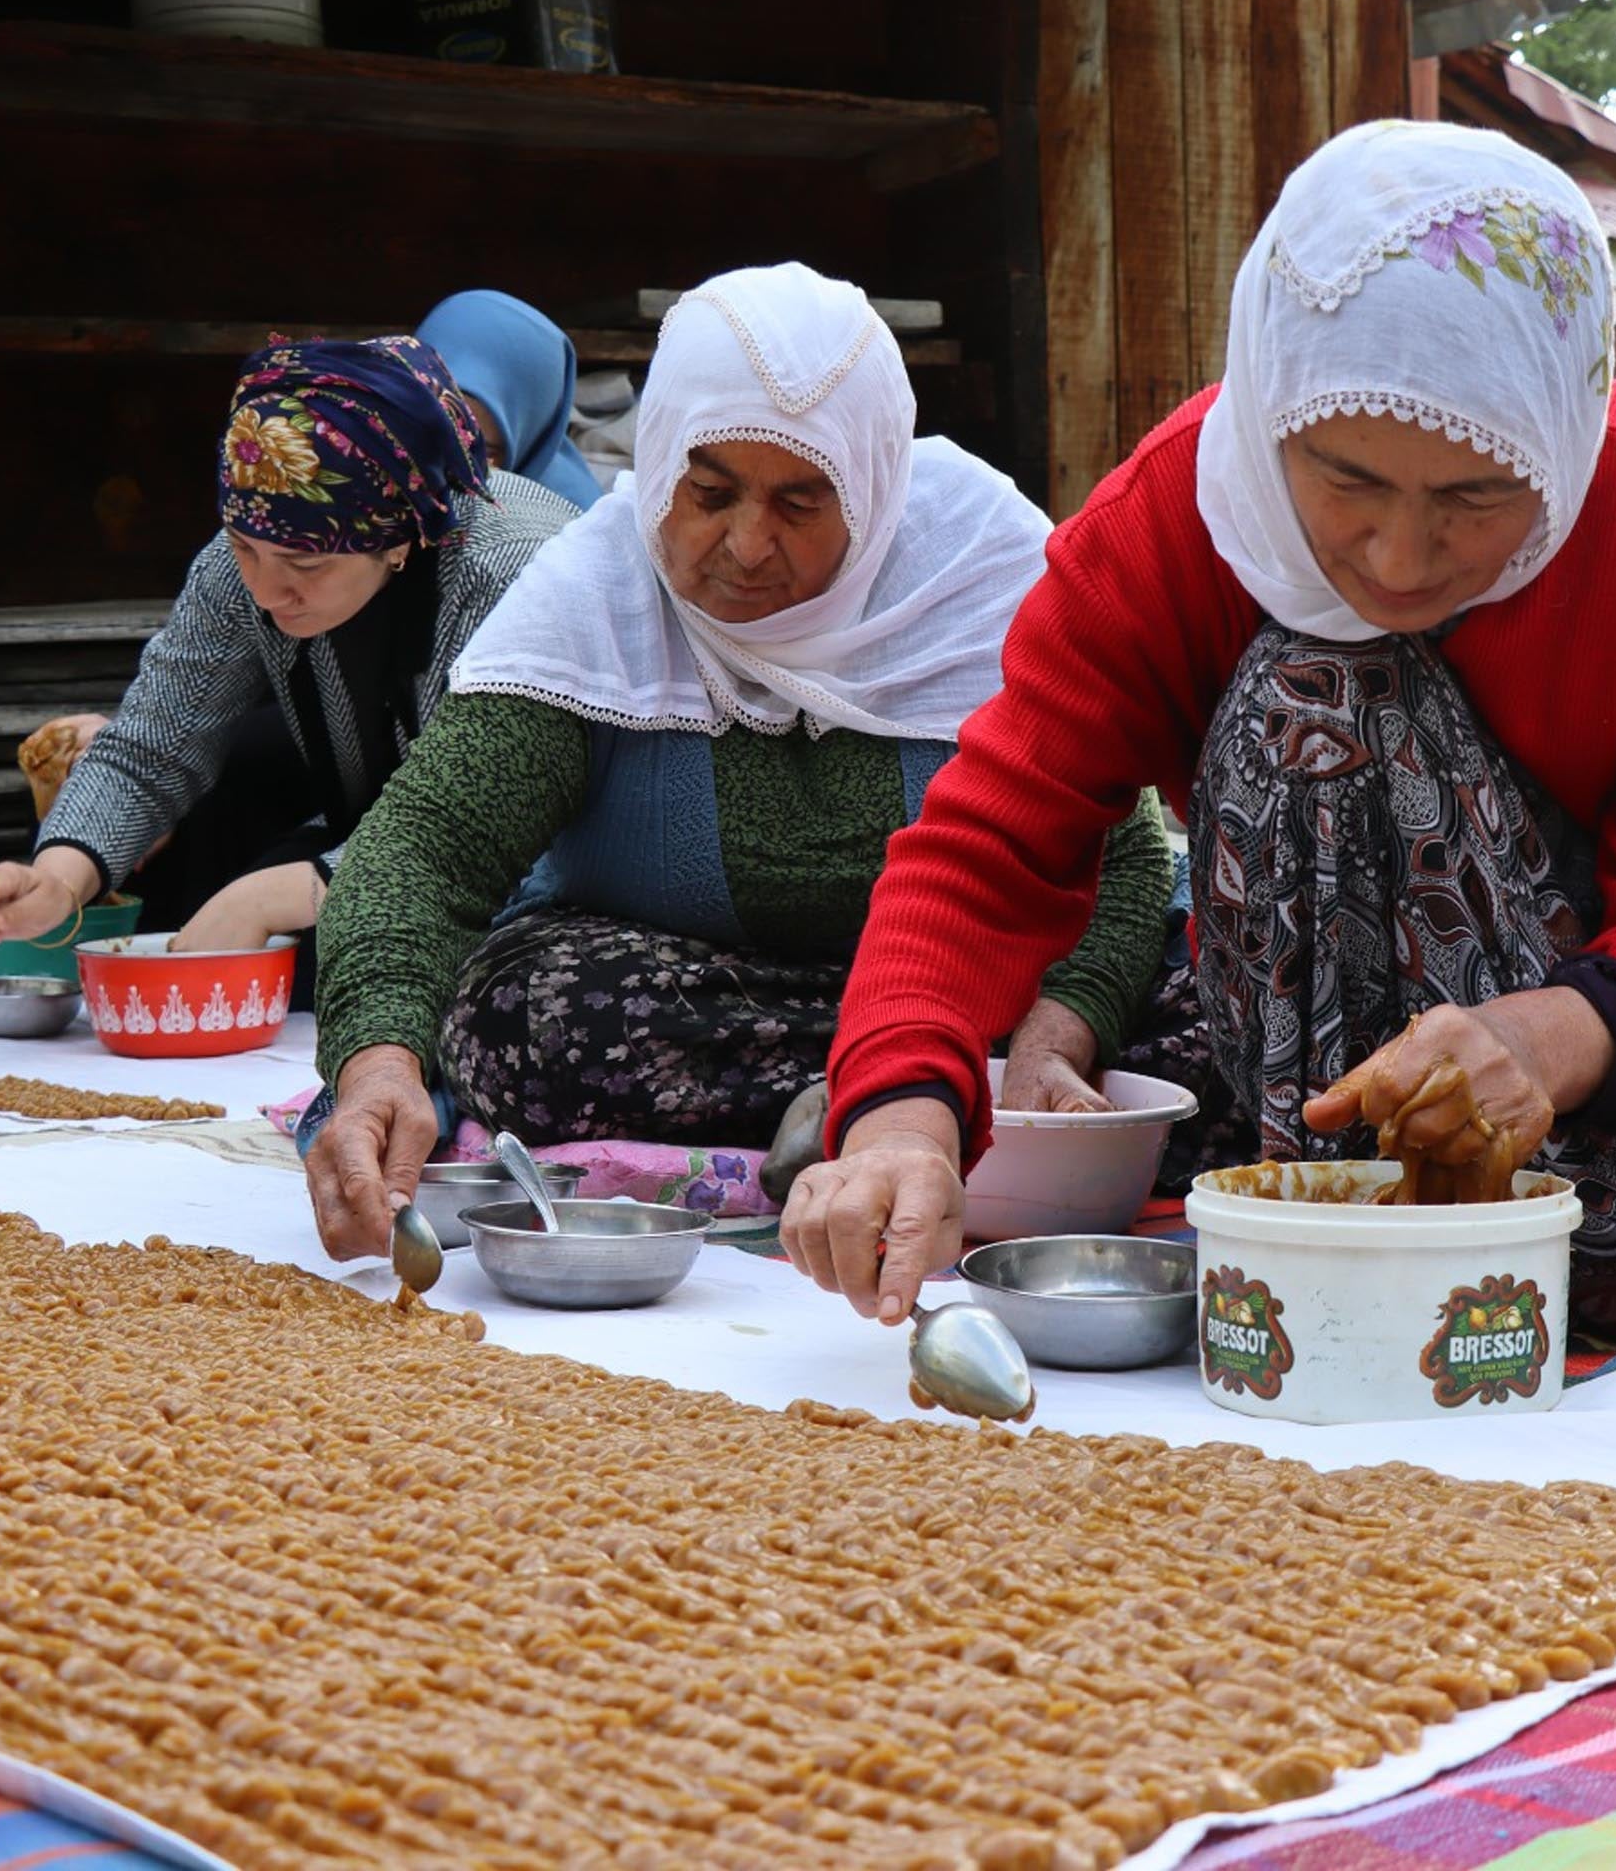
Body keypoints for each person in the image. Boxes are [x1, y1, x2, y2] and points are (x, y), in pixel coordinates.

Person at [784, 121, 1616, 1343]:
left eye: (1473, 497)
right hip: (1326, 1031)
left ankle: (1316, 1212)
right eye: (1345, 479)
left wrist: (1527, 1046)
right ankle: (1333, 1173)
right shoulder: (1171, 519)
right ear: (1273, 407)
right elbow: (989, 848)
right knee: (1317, 678)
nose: (1398, 555)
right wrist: (904, 1117)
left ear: (1558, 435)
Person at [304, 263, 1174, 1260]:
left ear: (874, 482)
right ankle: (889, 1104)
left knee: (1224, 1017)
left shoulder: (986, 576)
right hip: (695, 1002)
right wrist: (375, 1071)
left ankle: (903, 1098)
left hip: (972, 1007)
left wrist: (1053, 1047)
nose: (748, 544)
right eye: (708, 491)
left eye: (802, 501)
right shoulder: (595, 598)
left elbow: (1123, 858)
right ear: (660, 456)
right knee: (527, 1013)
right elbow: (422, 852)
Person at [0, 335, 579, 966]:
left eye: (305, 563)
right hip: (374, 850)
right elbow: (154, 745)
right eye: (242, 548)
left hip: (545, 877)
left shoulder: (512, 575)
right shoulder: (254, 552)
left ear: (398, 542)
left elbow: (482, 825)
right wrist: (59, 879)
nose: (264, 588)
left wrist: (261, 900)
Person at [416, 289, 608, 509]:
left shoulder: (565, 531)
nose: (446, 465)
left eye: (480, 452)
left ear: (530, 439)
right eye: (429, 432)